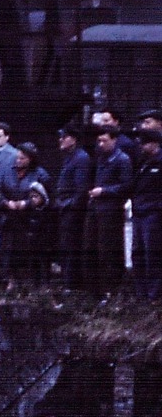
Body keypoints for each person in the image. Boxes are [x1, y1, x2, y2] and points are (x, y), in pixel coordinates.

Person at [85, 126, 136, 298]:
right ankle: (97, 290)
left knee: (109, 249)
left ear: (114, 140)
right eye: (99, 141)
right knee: (92, 247)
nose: (101, 144)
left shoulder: (122, 160)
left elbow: (126, 186)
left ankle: (112, 289)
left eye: (104, 140)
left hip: (111, 211)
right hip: (96, 209)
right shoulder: (101, 158)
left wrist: (104, 191)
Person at [0, 140, 49, 289]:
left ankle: (32, 286)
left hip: (30, 221)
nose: (18, 160)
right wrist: (6, 203)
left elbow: (44, 198)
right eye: (17, 157)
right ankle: (10, 280)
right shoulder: (7, 170)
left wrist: (26, 204)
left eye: (22, 158)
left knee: (28, 254)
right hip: (9, 219)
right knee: (7, 252)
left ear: (30, 159)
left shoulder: (40, 174)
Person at [54, 125, 96, 287]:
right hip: (65, 208)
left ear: (73, 139)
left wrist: (69, 206)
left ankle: (72, 284)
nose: (61, 140)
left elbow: (81, 189)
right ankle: (67, 282)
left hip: (73, 211)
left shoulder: (81, 158)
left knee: (72, 247)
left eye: (64, 137)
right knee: (65, 246)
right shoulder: (69, 157)